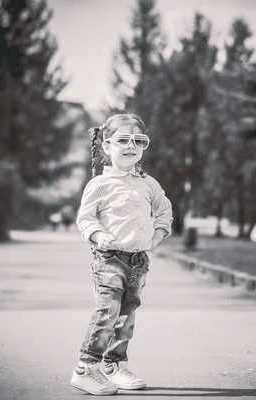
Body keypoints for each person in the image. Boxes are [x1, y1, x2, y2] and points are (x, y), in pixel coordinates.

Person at [70, 112, 173, 396]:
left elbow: (164, 209)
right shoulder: (99, 185)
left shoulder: (148, 184)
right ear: (106, 146)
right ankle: (84, 368)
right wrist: (97, 234)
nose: (131, 146)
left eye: (139, 140)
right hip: (110, 259)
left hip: (138, 261)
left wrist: (159, 233)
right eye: (123, 140)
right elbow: (85, 218)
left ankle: (114, 366)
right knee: (108, 311)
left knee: (127, 316)